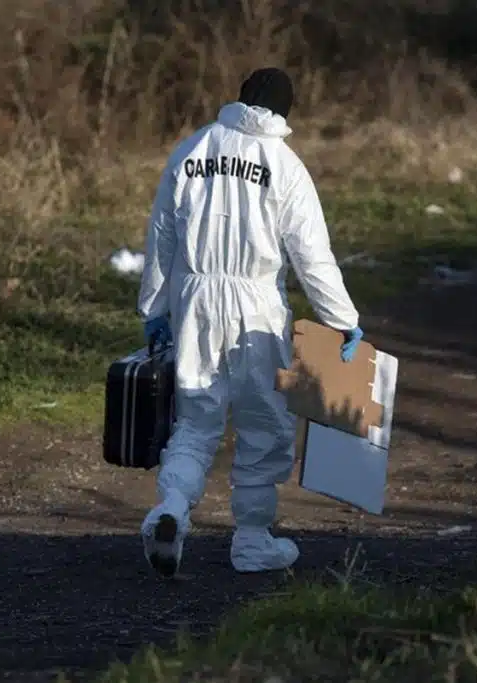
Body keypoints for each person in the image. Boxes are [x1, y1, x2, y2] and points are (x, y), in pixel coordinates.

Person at [136, 67, 364, 577]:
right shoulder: (284, 165)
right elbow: (312, 256)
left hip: (193, 301)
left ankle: (170, 510)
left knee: (195, 421)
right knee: (264, 423)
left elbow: (161, 238)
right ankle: (252, 541)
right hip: (255, 305)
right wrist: (343, 320)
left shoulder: (191, 151)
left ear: (239, 99)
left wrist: (153, 308)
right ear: (285, 111)